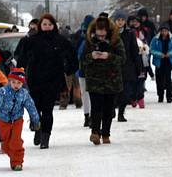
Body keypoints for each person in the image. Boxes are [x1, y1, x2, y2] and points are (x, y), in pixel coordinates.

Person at [24, 13, 78, 149]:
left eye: (49, 24)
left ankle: (45, 137)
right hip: (35, 80)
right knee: (36, 108)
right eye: (44, 24)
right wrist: (20, 71)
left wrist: (69, 69)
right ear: (40, 26)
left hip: (53, 80)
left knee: (48, 110)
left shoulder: (60, 40)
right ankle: (37, 129)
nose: (47, 27)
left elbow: (72, 55)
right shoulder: (32, 40)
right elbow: (22, 57)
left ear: (53, 26)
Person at [0, 67, 40, 171]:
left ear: (22, 83)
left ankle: (17, 162)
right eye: (13, 82)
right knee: (5, 144)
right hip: (3, 120)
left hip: (17, 120)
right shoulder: (3, 91)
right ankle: (12, 154)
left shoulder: (24, 94)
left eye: (19, 83)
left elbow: (31, 106)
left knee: (16, 141)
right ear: (9, 81)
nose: (16, 85)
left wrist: (35, 120)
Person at [82, 16, 125, 145]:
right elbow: (82, 59)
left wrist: (108, 56)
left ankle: (106, 133)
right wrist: (92, 56)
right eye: (98, 35)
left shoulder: (116, 41)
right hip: (94, 79)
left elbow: (122, 59)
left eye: (103, 35)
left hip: (111, 79)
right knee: (96, 107)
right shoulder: (89, 41)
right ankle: (95, 132)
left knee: (108, 108)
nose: (100, 37)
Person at [112, 9, 143, 122]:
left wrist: (139, 67)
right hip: (114, 66)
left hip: (127, 65)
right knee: (114, 91)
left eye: (122, 20)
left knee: (125, 92)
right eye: (118, 20)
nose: (120, 22)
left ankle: (121, 112)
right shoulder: (111, 33)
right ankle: (112, 109)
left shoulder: (130, 33)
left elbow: (135, 50)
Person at [149, 23, 172, 103]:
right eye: (162, 31)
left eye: (165, 31)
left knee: (168, 79)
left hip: (169, 61)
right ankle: (160, 95)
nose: (164, 32)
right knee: (159, 80)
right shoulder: (155, 39)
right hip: (159, 61)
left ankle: (169, 96)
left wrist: (170, 53)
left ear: (168, 31)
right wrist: (159, 54)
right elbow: (151, 49)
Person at [75, 15, 95, 127]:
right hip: (88, 70)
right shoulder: (89, 37)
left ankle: (87, 116)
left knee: (85, 94)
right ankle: (89, 116)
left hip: (82, 70)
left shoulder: (79, 36)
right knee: (90, 94)